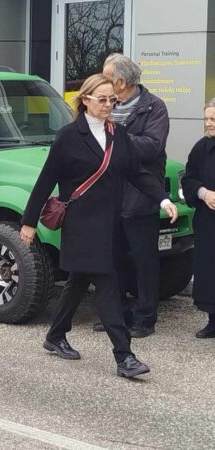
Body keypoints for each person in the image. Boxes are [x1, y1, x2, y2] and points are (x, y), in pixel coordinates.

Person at [20, 74, 177, 378]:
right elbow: (45, 181)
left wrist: (162, 199)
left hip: (109, 223)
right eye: (102, 99)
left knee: (78, 280)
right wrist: (28, 222)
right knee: (107, 283)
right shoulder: (68, 136)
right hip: (80, 224)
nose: (108, 105)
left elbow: (137, 172)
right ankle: (125, 356)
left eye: (112, 100)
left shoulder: (118, 135)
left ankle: (55, 336)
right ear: (85, 100)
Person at [94, 53, 170, 338]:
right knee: (113, 259)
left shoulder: (155, 108)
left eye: (107, 77)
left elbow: (151, 147)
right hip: (110, 197)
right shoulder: (107, 105)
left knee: (144, 260)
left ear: (122, 81)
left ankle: (145, 318)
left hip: (140, 198)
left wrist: (116, 135)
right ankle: (118, 314)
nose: (103, 82)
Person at [181, 98, 215, 339]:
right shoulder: (201, 148)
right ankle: (213, 320)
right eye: (206, 119)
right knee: (209, 270)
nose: (209, 124)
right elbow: (189, 178)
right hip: (209, 221)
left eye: (213, 119)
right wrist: (204, 194)